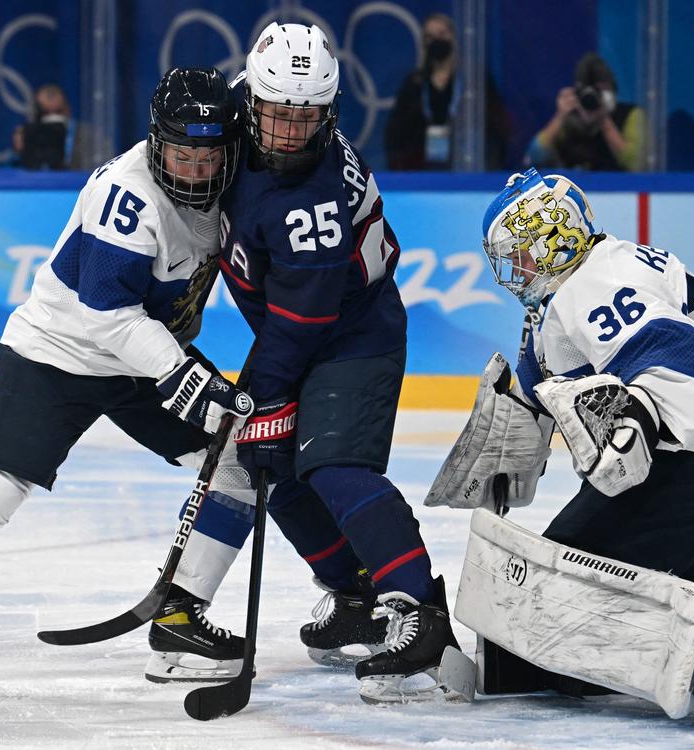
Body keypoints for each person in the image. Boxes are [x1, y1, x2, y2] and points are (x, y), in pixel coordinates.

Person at [0, 68, 256, 682]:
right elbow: (106, 313)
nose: (195, 170)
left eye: (208, 156)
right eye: (182, 154)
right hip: (59, 350)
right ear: (156, 144)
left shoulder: (229, 173)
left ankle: (178, 621)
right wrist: (181, 374)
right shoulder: (131, 194)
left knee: (241, 462)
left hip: (144, 353)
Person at [146, 22, 466, 704]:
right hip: (299, 327)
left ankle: (420, 610)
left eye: (306, 118)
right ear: (251, 95)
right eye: (277, 115)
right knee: (273, 471)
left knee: (334, 465)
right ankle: (354, 595)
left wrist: (261, 394)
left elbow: (304, 320)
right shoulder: (237, 106)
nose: (290, 133)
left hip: (352, 332)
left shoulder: (311, 202)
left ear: (330, 111)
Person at [428, 168, 694, 705]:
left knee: (553, 615)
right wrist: (511, 448)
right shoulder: (577, 285)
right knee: (539, 609)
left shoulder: (592, 282)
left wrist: (641, 417)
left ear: (552, 239)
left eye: (519, 252)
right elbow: (548, 388)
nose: (512, 269)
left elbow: (679, 362)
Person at [384, 12, 509, 170]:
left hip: (465, 167)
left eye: (442, 34)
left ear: (454, 38)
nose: (437, 40)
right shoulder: (414, 83)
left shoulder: (473, 81)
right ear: (423, 43)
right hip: (420, 170)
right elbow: (395, 133)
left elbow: (497, 127)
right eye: (430, 36)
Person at [526, 53, 645, 171]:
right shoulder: (569, 117)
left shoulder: (630, 115)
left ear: (612, 92)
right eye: (587, 92)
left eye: (599, 91)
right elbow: (534, 158)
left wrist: (604, 120)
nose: (592, 98)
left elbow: (636, 164)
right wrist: (560, 116)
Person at [12, 83, 103, 170]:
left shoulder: (90, 135)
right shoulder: (29, 133)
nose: (53, 118)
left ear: (68, 109)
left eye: (58, 112)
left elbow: (104, 167)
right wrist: (19, 151)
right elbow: (13, 170)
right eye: (45, 113)